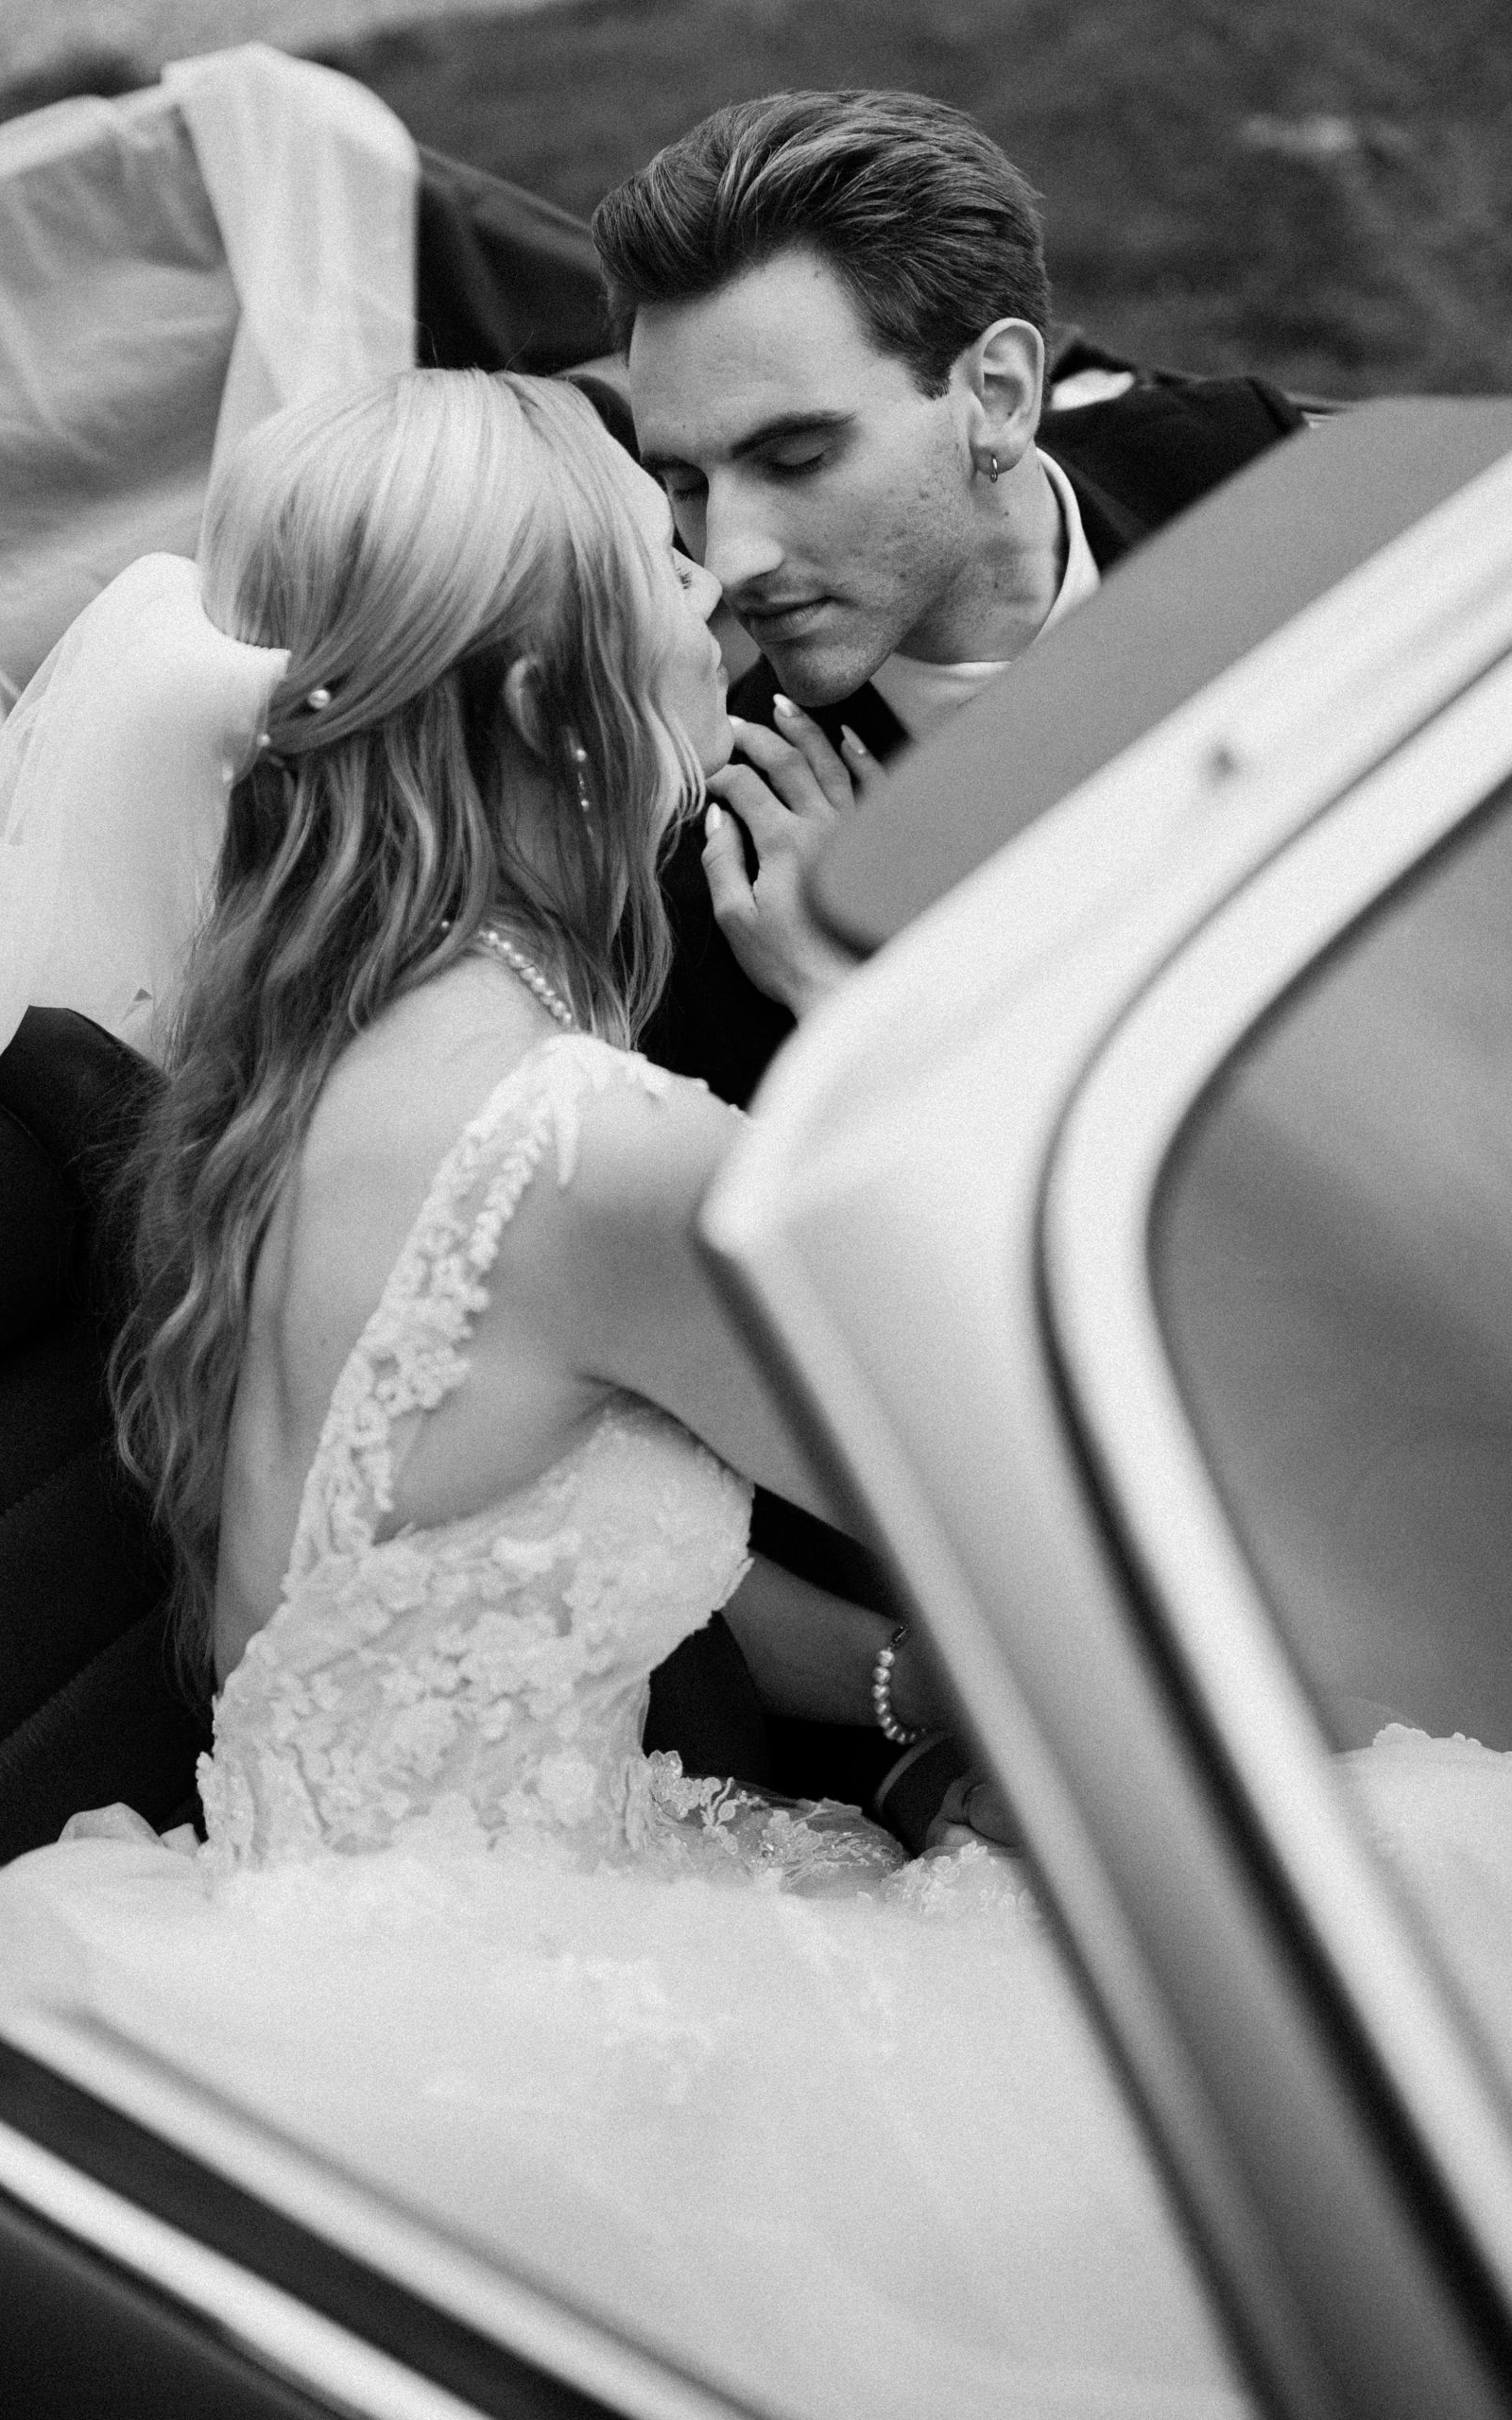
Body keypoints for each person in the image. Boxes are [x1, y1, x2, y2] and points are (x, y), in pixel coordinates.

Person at [0, 366, 1255, 2414]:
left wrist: (914, 1693)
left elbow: (519, 1568)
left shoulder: (287, 1074)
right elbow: (1069, 1441)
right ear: (554, 703)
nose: (718, 589)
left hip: (324, 1960)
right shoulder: (585, 1150)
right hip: (518, 2060)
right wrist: (871, 1005)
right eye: (660, 557)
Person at [592, 92, 1306, 1822]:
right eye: (679, 480)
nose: (724, 559)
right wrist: (869, 1032)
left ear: (993, 393)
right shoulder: (703, 876)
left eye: (792, 457)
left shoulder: (1250, 485)